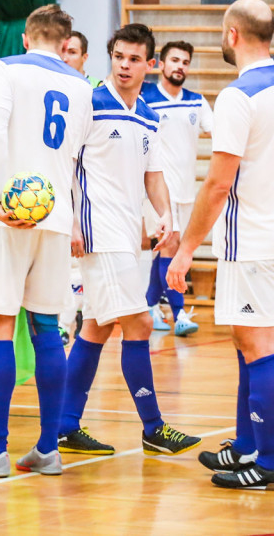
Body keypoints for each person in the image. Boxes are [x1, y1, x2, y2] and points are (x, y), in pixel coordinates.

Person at [166, 0, 274, 490]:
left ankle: (271, 464)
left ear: (232, 35)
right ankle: (247, 447)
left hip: (254, 238)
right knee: (246, 341)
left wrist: (185, 249)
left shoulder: (237, 95)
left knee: (259, 343)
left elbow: (218, 184)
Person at [0, 5, 93, 478]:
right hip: (55, 216)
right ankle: (48, 449)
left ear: (26, 38)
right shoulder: (79, 85)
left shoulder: (3, 68)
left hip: (7, 215)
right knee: (47, 329)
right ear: (65, 42)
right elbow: (72, 158)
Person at [59, 23, 202, 457]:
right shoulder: (89, 102)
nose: (124, 65)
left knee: (96, 327)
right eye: (119, 56)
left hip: (126, 233)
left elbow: (153, 175)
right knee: (138, 323)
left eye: (134, 58)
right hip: (98, 232)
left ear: (149, 64)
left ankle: (65, 426)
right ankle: (153, 429)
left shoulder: (147, 113)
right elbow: (63, 162)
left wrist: (167, 218)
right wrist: (71, 223)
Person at [141, 40, 213, 336]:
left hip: (186, 191)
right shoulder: (144, 98)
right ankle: (180, 313)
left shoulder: (197, 101)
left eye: (185, 61)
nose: (179, 66)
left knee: (165, 253)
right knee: (171, 247)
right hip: (157, 194)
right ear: (160, 64)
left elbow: (220, 134)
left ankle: (148, 305)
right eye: (174, 60)